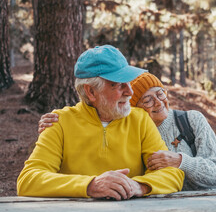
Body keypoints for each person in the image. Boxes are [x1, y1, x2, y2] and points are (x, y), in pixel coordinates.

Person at [17, 45, 184, 200]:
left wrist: (138, 186)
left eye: (129, 83)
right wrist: (90, 186)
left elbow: (172, 174)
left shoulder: (140, 119)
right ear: (91, 92)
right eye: (119, 85)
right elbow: (28, 180)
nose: (130, 92)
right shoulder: (60, 122)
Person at [39, 72, 216, 191]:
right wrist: (60, 124)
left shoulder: (191, 120)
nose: (158, 102)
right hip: (173, 205)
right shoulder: (134, 127)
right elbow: (95, 108)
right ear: (133, 107)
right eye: (147, 100)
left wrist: (180, 161)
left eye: (160, 93)